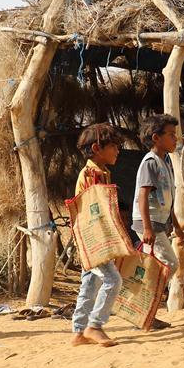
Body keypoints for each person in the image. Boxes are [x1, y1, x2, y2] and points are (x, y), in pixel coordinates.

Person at [132, 113, 184, 329]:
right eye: (171, 135)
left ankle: (145, 312)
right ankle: (145, 309)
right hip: (149, 223)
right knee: (169, 265)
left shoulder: (165, 162)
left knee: (156, 267)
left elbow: (168, 198)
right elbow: (143, 195)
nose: (175, 139)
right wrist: (147, 227)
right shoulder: (150, 162)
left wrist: (175, 225)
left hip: (158, 222)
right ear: (156, 138)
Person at [70, 124, 124, 347]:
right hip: (94, 240)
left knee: (89, 283)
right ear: (96, 148)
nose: (117, 151)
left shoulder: (100, 173)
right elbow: (92, 210)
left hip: (90, 239)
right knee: (113, 280)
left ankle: (79, 332)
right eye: (113, 146)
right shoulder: (92, 174)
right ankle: (95, 325)